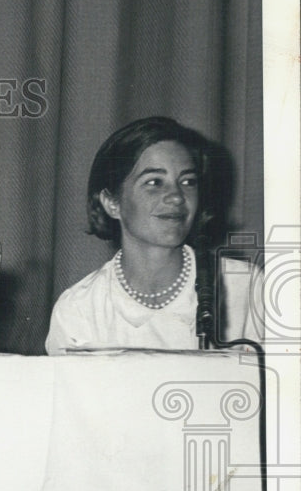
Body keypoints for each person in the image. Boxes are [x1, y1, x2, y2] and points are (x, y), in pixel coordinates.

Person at [46, 116, 263, 354]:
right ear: (111, 203)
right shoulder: (79, 309)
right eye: (154, 182)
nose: (177, 197)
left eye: (188, 181)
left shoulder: (247, 288)